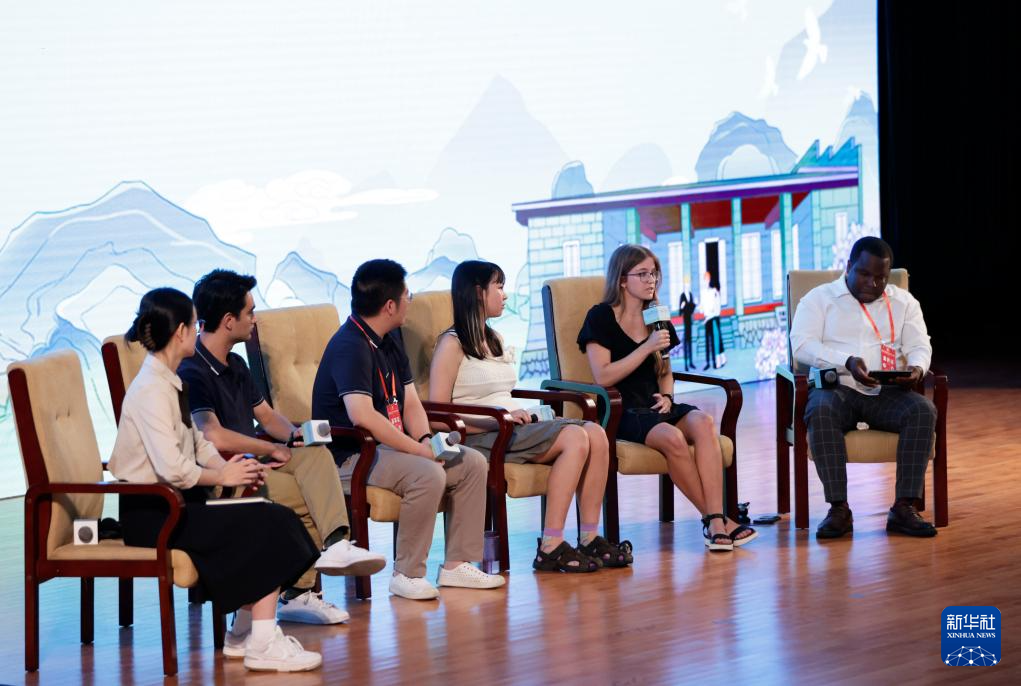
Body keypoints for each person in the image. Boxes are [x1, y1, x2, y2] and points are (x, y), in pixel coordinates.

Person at [108, 288, 323, 672]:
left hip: (180, 503)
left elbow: (199, 444)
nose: (197, 331)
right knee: (268, 523)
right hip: (155, 514)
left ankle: (243, 634)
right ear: (180, 332)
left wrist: (238, 466)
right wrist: (221, 474)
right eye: (194, 325)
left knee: (273, 516)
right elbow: (173, 468)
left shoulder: (170, 382)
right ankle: (262, 643)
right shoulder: (150, 390)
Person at [179, 269, 385, 626]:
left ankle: (336, 544)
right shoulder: (193, 369)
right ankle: (297, 593)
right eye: (250, 312)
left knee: (315, 455)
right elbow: (212, 435)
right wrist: (271, 449)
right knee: (306, 494)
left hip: (253, 460)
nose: (255, 319)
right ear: (228, 321)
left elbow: (266, 415)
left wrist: (293, 436)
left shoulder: (236, 364)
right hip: (224, 474)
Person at [311, 259, 505, 599]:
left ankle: (456, 564)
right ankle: (407, 573)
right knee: (427, 473)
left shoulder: (388, 339)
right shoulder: (349, 345)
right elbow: (362, 417)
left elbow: (411, 402)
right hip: (351, 455)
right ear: (390, 305)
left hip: (389, 448)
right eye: (407, 295)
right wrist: (420, 452)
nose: (410, 300)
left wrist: (427, 440)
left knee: (472, 463)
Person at [429, 260, 629, 572]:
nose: (505, 295)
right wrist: (494, 421)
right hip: (481, 436)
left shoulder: (493, 338)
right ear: (478, 292)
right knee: (575, 437)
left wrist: (519, 416)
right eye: (498, 287)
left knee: (596, 434)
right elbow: (437, 416)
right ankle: (550, 545)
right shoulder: (451, 343)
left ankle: (589, 537)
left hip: (510, 427)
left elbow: (502, 394)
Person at [578, 244, 756, 552]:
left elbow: (664, 372)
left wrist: (668, 397)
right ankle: (716, 521)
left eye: (654, 274)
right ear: (622, 279)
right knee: (673, 438)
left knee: (703, 422)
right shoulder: (600, 316)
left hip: (656, 404)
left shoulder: (656, 317)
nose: (651, 280)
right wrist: (646, 347)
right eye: (643, 274)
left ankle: (717, 519)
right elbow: (603, 376)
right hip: (622, 409)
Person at [790, 236, 937, 540]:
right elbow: (801, 345)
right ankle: (838, 509)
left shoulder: (904, 302)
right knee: (820, 410)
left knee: (923, 410)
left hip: (886, 391)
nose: (873, 283)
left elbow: (920, 345)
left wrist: (917, 368)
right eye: (865, 274)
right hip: (836, 388)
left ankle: (903, 507)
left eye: (881, 277)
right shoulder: (819, 299)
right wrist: (847, 361)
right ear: (849, 267)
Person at [699, 272, 724, 370]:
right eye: (704, 279)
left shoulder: (713, 292)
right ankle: (708, 363)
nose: (706, 281)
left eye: (707, 279)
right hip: (706, 318)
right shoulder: (703, 293)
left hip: (712, 319)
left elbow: (716, 310)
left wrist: (708, 317)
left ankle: (715, 361)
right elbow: (702, 308)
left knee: (714, 340)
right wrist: (699, 307)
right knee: (707, 341)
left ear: (709, 280)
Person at [678, 278, 696, 371]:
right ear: (684, 286)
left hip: (690, 321)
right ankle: (686, 364)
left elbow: (692, 308)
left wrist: (694, 304)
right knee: (686, 342)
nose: (687, 287)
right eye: (686, 285)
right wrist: (682, 306)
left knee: (690, 341)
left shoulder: (690, 295)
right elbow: (680, 312)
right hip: (685, 322)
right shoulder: (682, 295)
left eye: (688, 285)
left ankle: (691, 362)